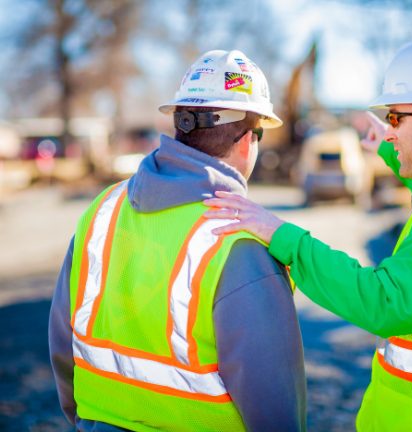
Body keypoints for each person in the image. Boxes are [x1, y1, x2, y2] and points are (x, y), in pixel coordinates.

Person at [203, 37, 412, 431]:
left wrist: (284, 238)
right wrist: (388, 148)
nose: (390, 132)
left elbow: (384, 302)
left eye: (395, 119)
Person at [49, 49, 307, 432]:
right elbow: (276, 409)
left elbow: (62, 346)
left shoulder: (102, 210)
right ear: (246, 141)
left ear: (180, 124)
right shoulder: (241, 245)